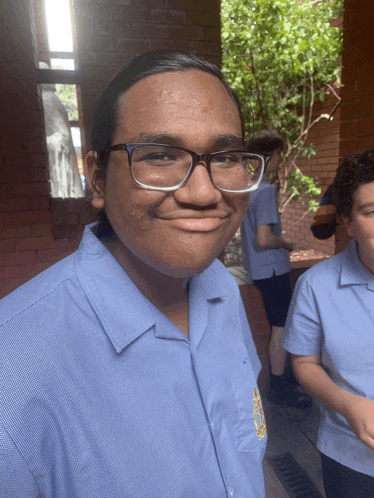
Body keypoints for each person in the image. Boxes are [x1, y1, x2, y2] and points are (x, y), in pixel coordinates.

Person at [0, 50, 268, 497]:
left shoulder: (220, 287)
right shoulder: (13, 370)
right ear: (98, 180)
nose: (203, 193)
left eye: (224, 158)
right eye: (161, 156)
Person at [283, 149, 374, 498]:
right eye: (372, 211)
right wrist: (347, 404)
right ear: (349, 223)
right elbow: (304, 363)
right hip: (351, 458)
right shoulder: (317, 286)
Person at [241, 131, 311, 409]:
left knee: (277, 325)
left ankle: (283, 382)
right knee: (280, 328)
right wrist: (286, 242)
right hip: (272, 270)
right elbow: (263, 239)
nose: (282, 159)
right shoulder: (266, 189)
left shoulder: (248, 187)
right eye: (280, 153)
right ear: (268, 156)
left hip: (257, 270)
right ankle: (280, 388)